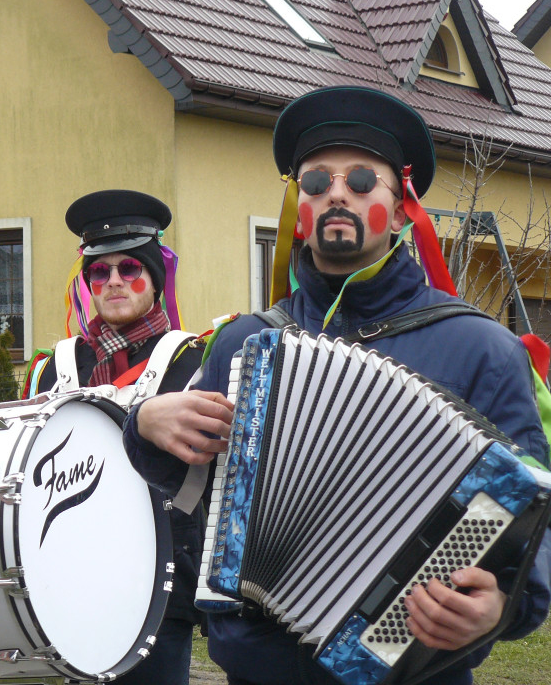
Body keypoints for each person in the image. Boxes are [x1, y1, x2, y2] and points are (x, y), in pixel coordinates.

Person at [122, 85, 551, 685]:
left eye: (361, 181)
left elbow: (528, 515)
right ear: (299, 206)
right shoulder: (242, 343)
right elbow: (192, 491)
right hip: (258, 668)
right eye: (316, 183)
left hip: (408, 663)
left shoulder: (484, 349)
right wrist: (144, 427)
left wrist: (502, 609)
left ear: (402, 208)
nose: (336, 196)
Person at [24, 189, 206, 685]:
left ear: (154, 278)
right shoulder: (54, 369)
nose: (115, 282)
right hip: (67, 587)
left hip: (159, 592)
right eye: (99, 273)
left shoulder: (194, 362)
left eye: (130, 269)